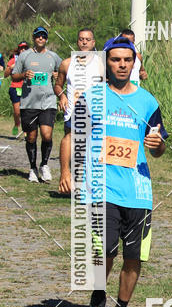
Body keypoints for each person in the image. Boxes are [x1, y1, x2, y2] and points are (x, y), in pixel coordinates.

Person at [79, 36, 167, 307]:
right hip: (102, 188)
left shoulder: (148, 102)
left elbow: (159, 145)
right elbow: (73, 136)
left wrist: (158, 145)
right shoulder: (92, 97)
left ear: (134, 63)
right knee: (104, 249)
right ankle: (98, 298)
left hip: (138, 191)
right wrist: (68, 172)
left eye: (127, 60)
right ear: (107, 63)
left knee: (134, 257)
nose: (122, 65)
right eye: (115, 60)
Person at [54, 28, 101, 194]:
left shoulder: (101, 64)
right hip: (74, 108)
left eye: (88, 39)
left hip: (96, 109)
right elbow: (58, 85)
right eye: (81, 39)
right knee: (71, 139)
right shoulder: (67, 63)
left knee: (89, 149)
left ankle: (86, 183)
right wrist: (61, 96)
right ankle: (65, 175)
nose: (84, 42)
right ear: (77, 42)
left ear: (93, 43)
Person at [12, 27, 61, 182]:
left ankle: (44, 165)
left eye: (43, 36)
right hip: (29, 103)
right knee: (31, 137)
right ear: (34, 38)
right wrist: (24, 75)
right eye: (38, 36)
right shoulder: (25, 55)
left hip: (48, 102)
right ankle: (32, 168)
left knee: (47, 135)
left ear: (46, 39)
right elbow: (14, 76)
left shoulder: (53, 56)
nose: (41, 38)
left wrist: (58, 75)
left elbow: (64, 73)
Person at [4, 42, 28, 136]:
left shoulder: (31, 60)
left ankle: (26, 132)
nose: (23, 50)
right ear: (18, 49)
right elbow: (5, 75)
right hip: (15, 88)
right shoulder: (13, 60)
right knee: (17, 112)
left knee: (26, 112)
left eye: (25, 48)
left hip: (27, 88)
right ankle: (16, 124)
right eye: (21, 48)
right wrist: (11, 67)